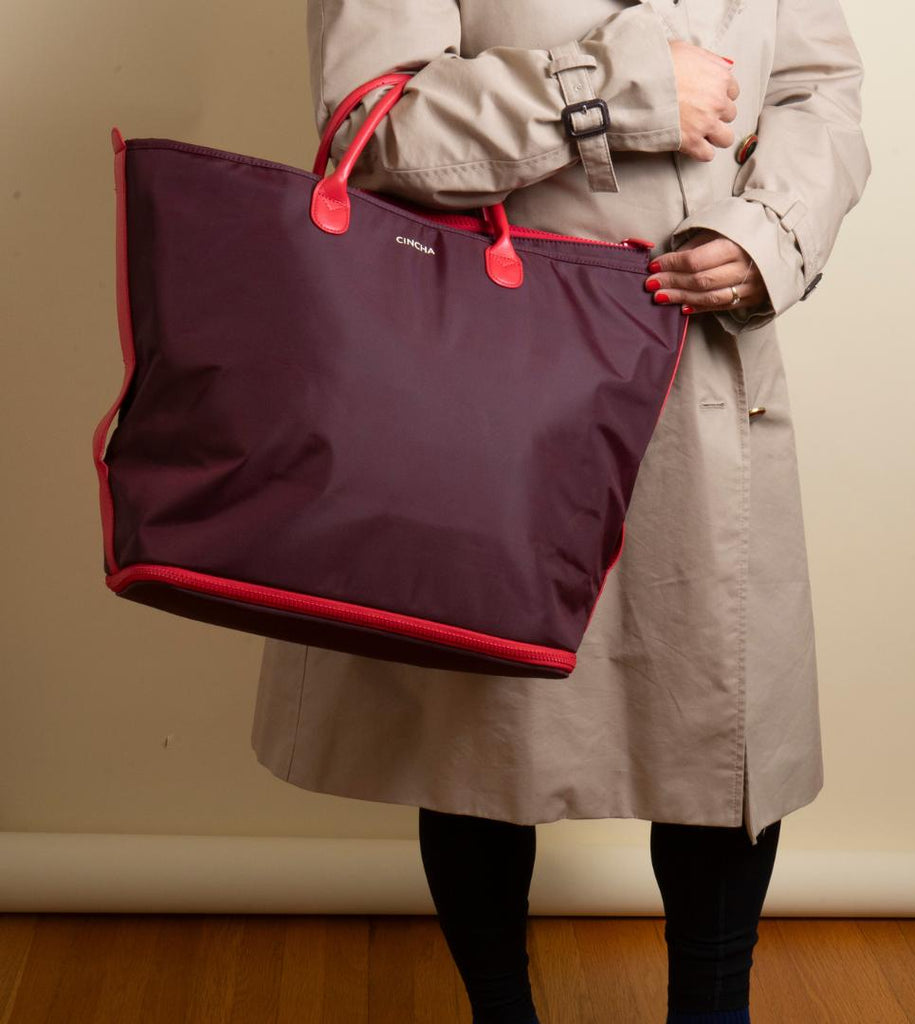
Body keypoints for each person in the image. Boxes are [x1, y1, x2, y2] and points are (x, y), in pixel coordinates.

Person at [250, 1, 871, 1021]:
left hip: (703, 363)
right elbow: (373, 124)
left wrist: (772, 234)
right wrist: (618, 89)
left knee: (725, 730)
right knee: (482, 729)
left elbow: (817, 89)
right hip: (490, 368)